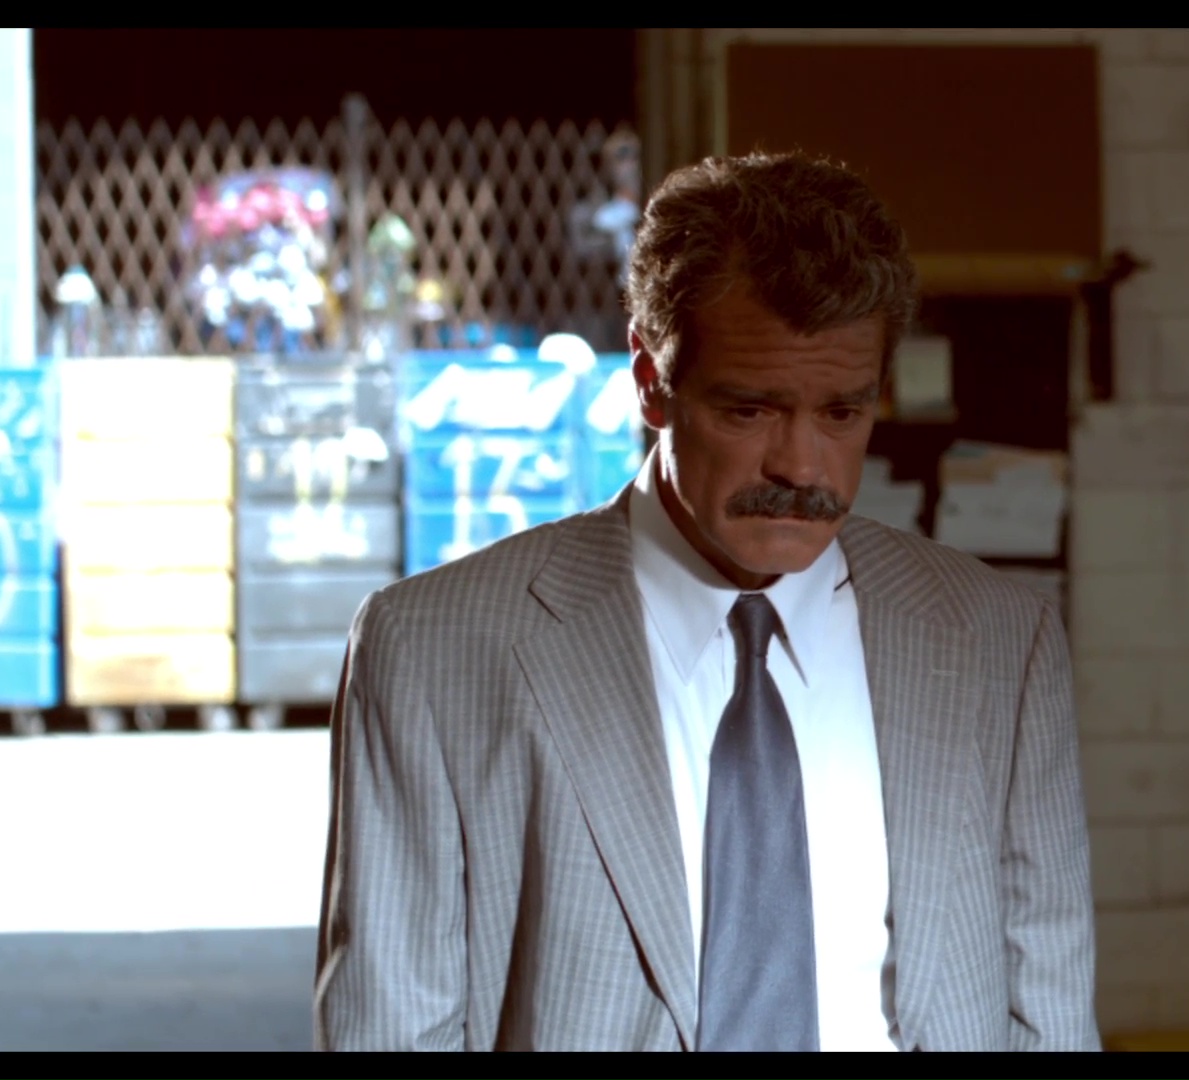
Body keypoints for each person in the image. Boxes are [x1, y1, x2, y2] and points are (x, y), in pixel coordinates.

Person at [314, 152, 1100, 1052]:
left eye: (841, 413)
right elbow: (389, 1027)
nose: (800, 466)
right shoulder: (433, 648)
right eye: (750, 411)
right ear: (652, 380)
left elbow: (1049, 1004)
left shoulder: (1000, 639)